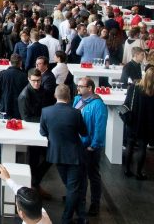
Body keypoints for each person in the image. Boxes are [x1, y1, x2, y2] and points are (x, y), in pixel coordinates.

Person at [39, 84, 87, 224]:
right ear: (69, 97)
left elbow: (43, 132)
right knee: (73, 188)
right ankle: (67, 219)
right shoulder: (75, 113)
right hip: (74, 156)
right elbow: (84, 132)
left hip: (56, 155)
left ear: (55, 96)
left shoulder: (46, 111)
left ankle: (81, 216)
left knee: (72, 187)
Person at [72, 76, 108, 217]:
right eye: (78, 85)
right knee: (78, 175)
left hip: (90, 148)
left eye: (81, 86)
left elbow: (100, 128)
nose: (78, 88)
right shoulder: (77, 100)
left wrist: (93, 146)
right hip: (77, 145)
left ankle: (95, 203)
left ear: (90, 88)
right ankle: (77, 198)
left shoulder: (98, 105)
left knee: (93, 176)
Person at [123, 67, 154, 180]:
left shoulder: (134, 88)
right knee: (142, 147)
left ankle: (126, 169)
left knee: (129, 145)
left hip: (133, 121)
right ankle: (139, 172)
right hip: (147, 123)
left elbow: (126, 102)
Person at [18, 68, 51, 199]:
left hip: (41, 127)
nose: (37, 83)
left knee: (47, 157)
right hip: (32, 129)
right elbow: (26, 117)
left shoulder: (43, 90)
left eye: (39, 81)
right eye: (34, 81)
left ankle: (35, 183)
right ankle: (34, 185)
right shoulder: (24, 95)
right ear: (29, 79)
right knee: (34, 158)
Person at [0, 54, 28, 120]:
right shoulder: (24, 76)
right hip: (18, 109)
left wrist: (2, 101)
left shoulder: (2, 74)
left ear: (10, 62)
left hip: (4, 107)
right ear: (20, 63)